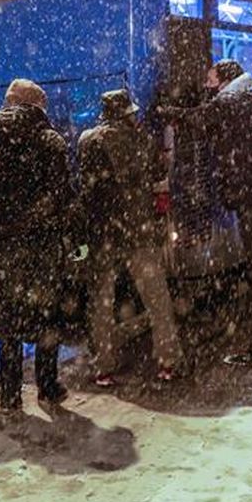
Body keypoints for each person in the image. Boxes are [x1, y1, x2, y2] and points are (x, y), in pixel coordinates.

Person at [163, 59, 252, 364]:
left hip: (251, 193)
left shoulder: (232, 100)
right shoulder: (251, 97)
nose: (209, 85)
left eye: (211, 79)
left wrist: (168, 111)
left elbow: (201, 117)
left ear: (225, 79)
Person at [0, 78, 73, 412]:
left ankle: (9, 394)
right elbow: (61, 194)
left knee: (10, 315)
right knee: (48, 313)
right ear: (38, 105)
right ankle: (47, 386)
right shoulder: (50, 140)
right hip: (44, 242)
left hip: (7, 242)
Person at [79, 89, 183, 387]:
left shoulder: (89, 140)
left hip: (103, 234)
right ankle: (167, 361)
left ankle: (104, 367)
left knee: (101, 303)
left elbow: (87, 188)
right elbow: (158, 173)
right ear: (127, 114)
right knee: (157, 298)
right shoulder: (142, 139)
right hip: (138, 230)